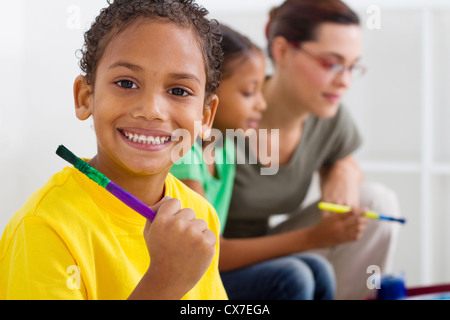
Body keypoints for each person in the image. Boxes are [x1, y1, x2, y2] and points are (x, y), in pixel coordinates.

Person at [0, 0, 228, 300]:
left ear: (206, 117)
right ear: (85, 97)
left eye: (178, 91)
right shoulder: (45, 227)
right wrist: (164, 282)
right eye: (126, 83)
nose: (151, 110)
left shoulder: (199, 215)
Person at [223, 0, 401, 300]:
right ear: (281, 52)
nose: (344, 81)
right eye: (331, 63)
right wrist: (312, 238)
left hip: (266, 249)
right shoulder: (227, 111)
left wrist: (341, 166)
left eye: (352, 66)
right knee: (298, 273)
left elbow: (343, 160)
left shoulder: (327, 114)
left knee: (376, 203)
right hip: (214, 257)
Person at [170, 24, 336, 300]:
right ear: (208, 96)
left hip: (212, 272)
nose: (261, 104)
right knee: (292, 276)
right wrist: (312, 237)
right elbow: (209, 253)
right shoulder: (184, 153)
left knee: (318, 268)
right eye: (249, 93)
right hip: (190, 280)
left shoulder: (225, 150)